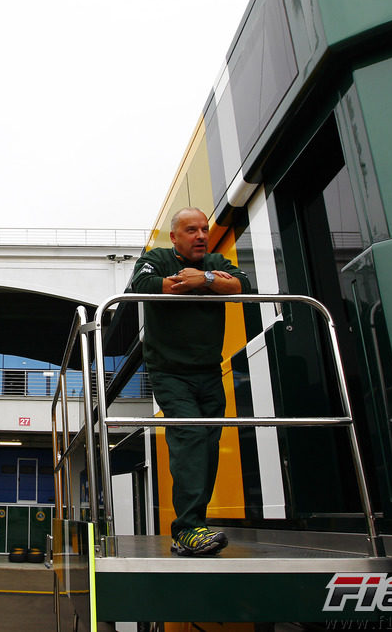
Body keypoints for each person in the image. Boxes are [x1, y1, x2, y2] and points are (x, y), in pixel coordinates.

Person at [128, 207, 250, 556]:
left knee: (209, 446)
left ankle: (195, 525)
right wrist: (192, 283)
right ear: (175, 236)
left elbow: (244, 284)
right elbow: (144, 284)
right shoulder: (157, 257)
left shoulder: (216, 261)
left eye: (203, 230)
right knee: (192, 434)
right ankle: (186, 529)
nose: (200, 235)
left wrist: (206, 279)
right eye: (191, 230)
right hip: (169, 372)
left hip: (209, 372)